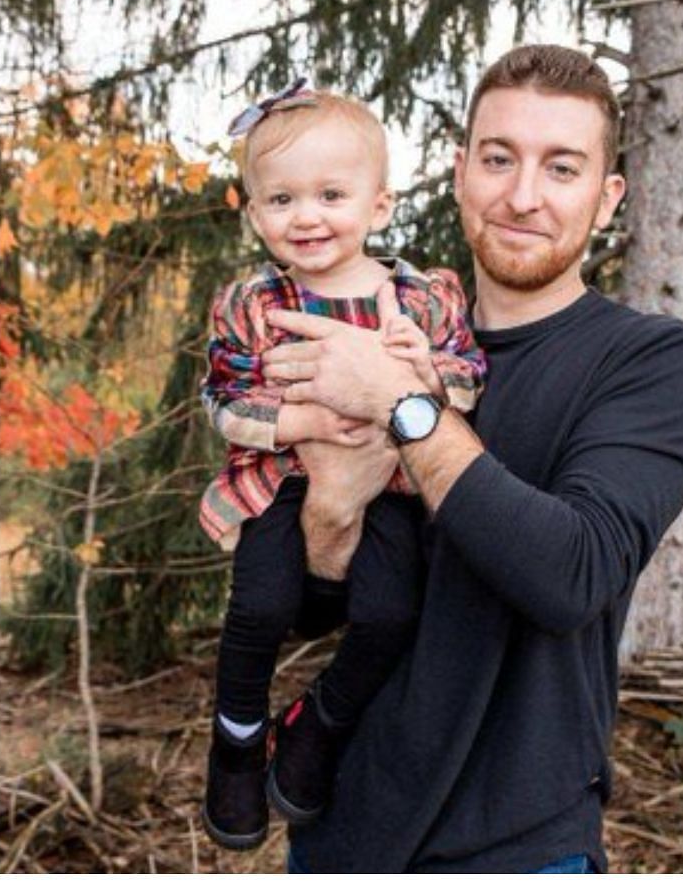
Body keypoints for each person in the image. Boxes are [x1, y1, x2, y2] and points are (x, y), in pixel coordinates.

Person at [262, 45, 683, 873]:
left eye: (562, 167)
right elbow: (307, 610)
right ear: (461, 171)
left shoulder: (647, 362)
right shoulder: (373, 330)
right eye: (499, 158)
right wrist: (329, 512)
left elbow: (570, 573)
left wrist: (402, 408)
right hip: (343, 838)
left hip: (520, 845)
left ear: (607, 199)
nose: (523, 195)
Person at [199, 84, 486, 849]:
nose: (308, 215)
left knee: (392, 613)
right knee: (257, 608)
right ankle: (235, 739)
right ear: (257, 214)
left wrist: (423, 373)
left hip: (392, 486)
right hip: (285, 484)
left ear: (380, 204)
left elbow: (468, 376)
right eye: (283, 198)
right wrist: (304, 421)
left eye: (332, 194)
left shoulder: (419, 300)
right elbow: (223, 399)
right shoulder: (254, 304)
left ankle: (315, 722)